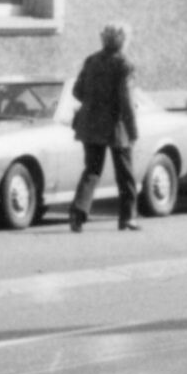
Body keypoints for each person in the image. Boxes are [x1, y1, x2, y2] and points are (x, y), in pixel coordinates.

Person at [69, 26, 147, 230]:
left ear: (103, 40)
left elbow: (77, 91)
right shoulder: (124, 65)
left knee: (92, 170)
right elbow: (126, 100)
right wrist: (133, 131)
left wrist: (93, 102)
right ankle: (128, 217)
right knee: (125, 172)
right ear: (124, 41)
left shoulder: (91, 60)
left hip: (90, 122)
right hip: (115, 124)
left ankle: (77, 214)